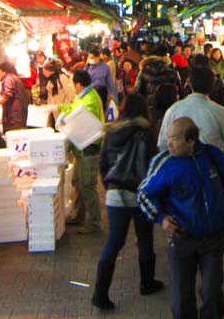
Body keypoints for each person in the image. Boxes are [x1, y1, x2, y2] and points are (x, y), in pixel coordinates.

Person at [138, 117, 224, 319]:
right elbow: (144, 193)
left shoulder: (213, 156)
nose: (168, 143)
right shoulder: (165, 163)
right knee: (181, 301)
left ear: (191, 140)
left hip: (213, 239)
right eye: (168, 138)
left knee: (212, 294)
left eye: (174, 139)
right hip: (181, 240)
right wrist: (161, 218)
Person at [92, 93, 163, 311]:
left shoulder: (110, 133)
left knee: (114, 242)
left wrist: (109, 186)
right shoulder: (146, 132)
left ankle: (100, 293)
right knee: (144, 239)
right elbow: (154, 164)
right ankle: (147, 283)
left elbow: (103, 164)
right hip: (140, 192)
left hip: (115, 193)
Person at [158, 66, 224, 170]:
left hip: (180, 171)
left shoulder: (173, 110)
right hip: (212, 172)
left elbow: (162, 144)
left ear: (190, 84)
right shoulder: (220, 112)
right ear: (212, 85)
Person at [58, 70, 106, 233]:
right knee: (77, 181)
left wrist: (66, 119)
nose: (72, 86)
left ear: (78, 84)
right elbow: (73, 108)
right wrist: (59, 107)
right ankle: (77, 215)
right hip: (81, 148)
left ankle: (94, 222)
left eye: (73, 83)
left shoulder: (90, 99)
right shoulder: (83, 97)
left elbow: (83, 120)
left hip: (89, 148)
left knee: (87, 185)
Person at [0, 61, 30, 133]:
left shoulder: (8, 79)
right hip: (20, 116)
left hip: (13, 117)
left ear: (4, 72)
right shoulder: (15, 78)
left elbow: (6, 95)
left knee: (13, 138)